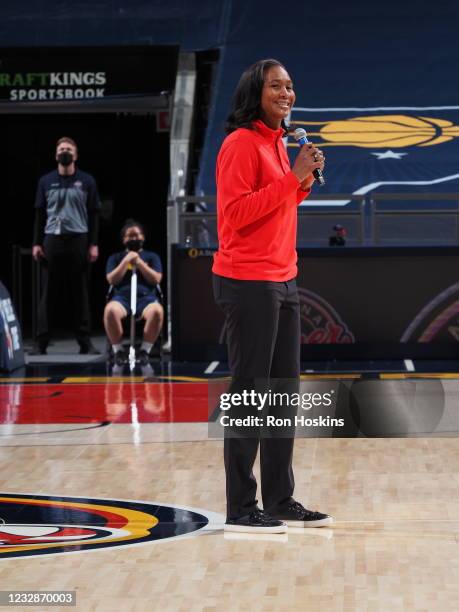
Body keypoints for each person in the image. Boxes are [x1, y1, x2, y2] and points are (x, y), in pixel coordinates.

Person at [213, 59, 333, 533]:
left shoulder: (280, 143)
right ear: (255, 94)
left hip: (284, 278)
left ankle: (281, 499)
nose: (286, 93)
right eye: (276, 86)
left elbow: (279, 204)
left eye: (290, 86)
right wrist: (291, 179)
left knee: (284, 394)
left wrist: (299, 181)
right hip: (247, 280)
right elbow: (237, 214)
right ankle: (241, 507)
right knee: (249, 393)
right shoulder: (240, 144)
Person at [31, 137, 100, 355]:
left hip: (79, 239)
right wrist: (36, 243)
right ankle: (41, 343)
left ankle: (85, 342)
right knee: (48, 293)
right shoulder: (45, 181)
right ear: (55, 155)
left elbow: (94, 215)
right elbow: (39, 214)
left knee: (80, 291)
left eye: (69, 149)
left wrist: (93, 244)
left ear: (76, 155)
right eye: (61, 149)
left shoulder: (87, 181)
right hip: (52, 240)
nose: (65, 152)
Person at [104, 220, 163, 366]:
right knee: (110, 311)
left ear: (143, 237)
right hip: (122, 297)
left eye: (136, 235)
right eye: (129, 236)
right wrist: (126, 261)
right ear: (123, 239)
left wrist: (140, 263)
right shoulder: (116, 258)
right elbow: (111, 279)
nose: (133, 239)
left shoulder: (151, 256)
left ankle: (144, 351)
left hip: (145, 298)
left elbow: (156, 279)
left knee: (157, 311)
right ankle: (118, 351)